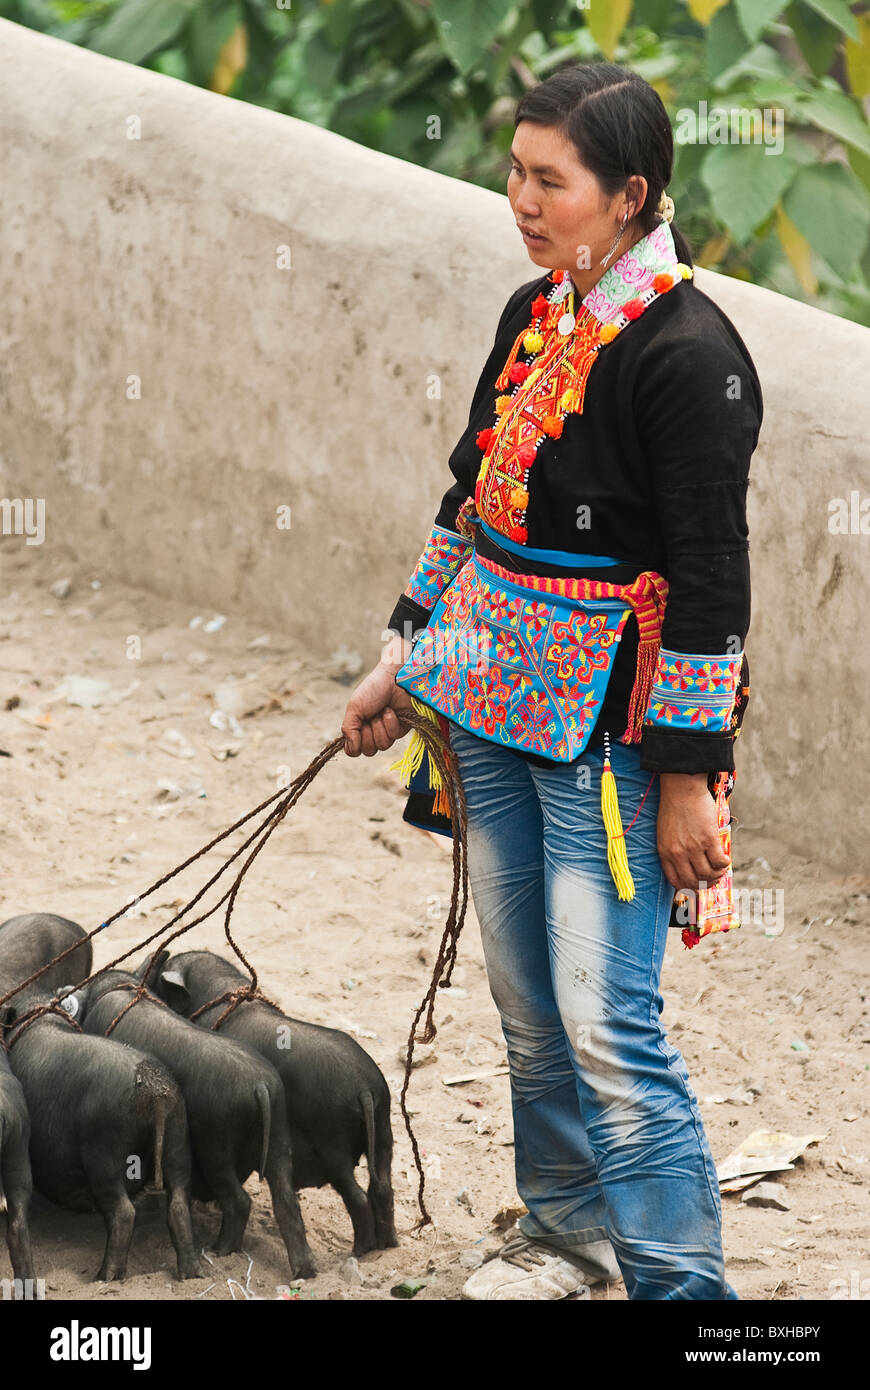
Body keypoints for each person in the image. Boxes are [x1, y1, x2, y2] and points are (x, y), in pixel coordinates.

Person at [342, 61, 762, 1301]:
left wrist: (687, 777)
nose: (520, 198)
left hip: (608, 736)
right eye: (515, 171)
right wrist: (397, 656)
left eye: (549, 179)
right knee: (528, 997)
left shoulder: (691, 357)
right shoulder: (540, 312)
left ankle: (686, 1291)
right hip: (481, 699)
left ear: (630, 195)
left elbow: (710, 582)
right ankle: (568, 1228)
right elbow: (470, 499)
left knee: (608, 1022)